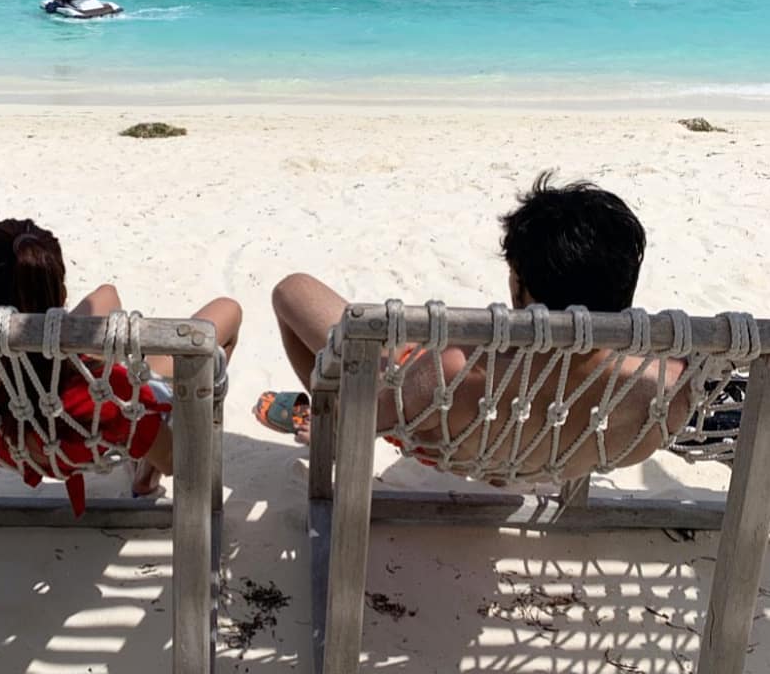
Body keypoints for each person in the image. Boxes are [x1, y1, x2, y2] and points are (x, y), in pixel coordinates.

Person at [260, 172, 691, 484]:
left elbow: (367, 418)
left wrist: (332, 423)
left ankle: (318, 404)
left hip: (459, 431)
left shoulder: (459, 366)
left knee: (292, 291)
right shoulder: (667, 386)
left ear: (520, 286)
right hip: (551, 456)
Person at [0, 218, 241, 502]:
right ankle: (142, 473)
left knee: (106, 296)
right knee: (229, 312)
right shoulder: (105, 398)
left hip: (16, 397)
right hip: (82, 401)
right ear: (60, 297)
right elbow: (171, 460)